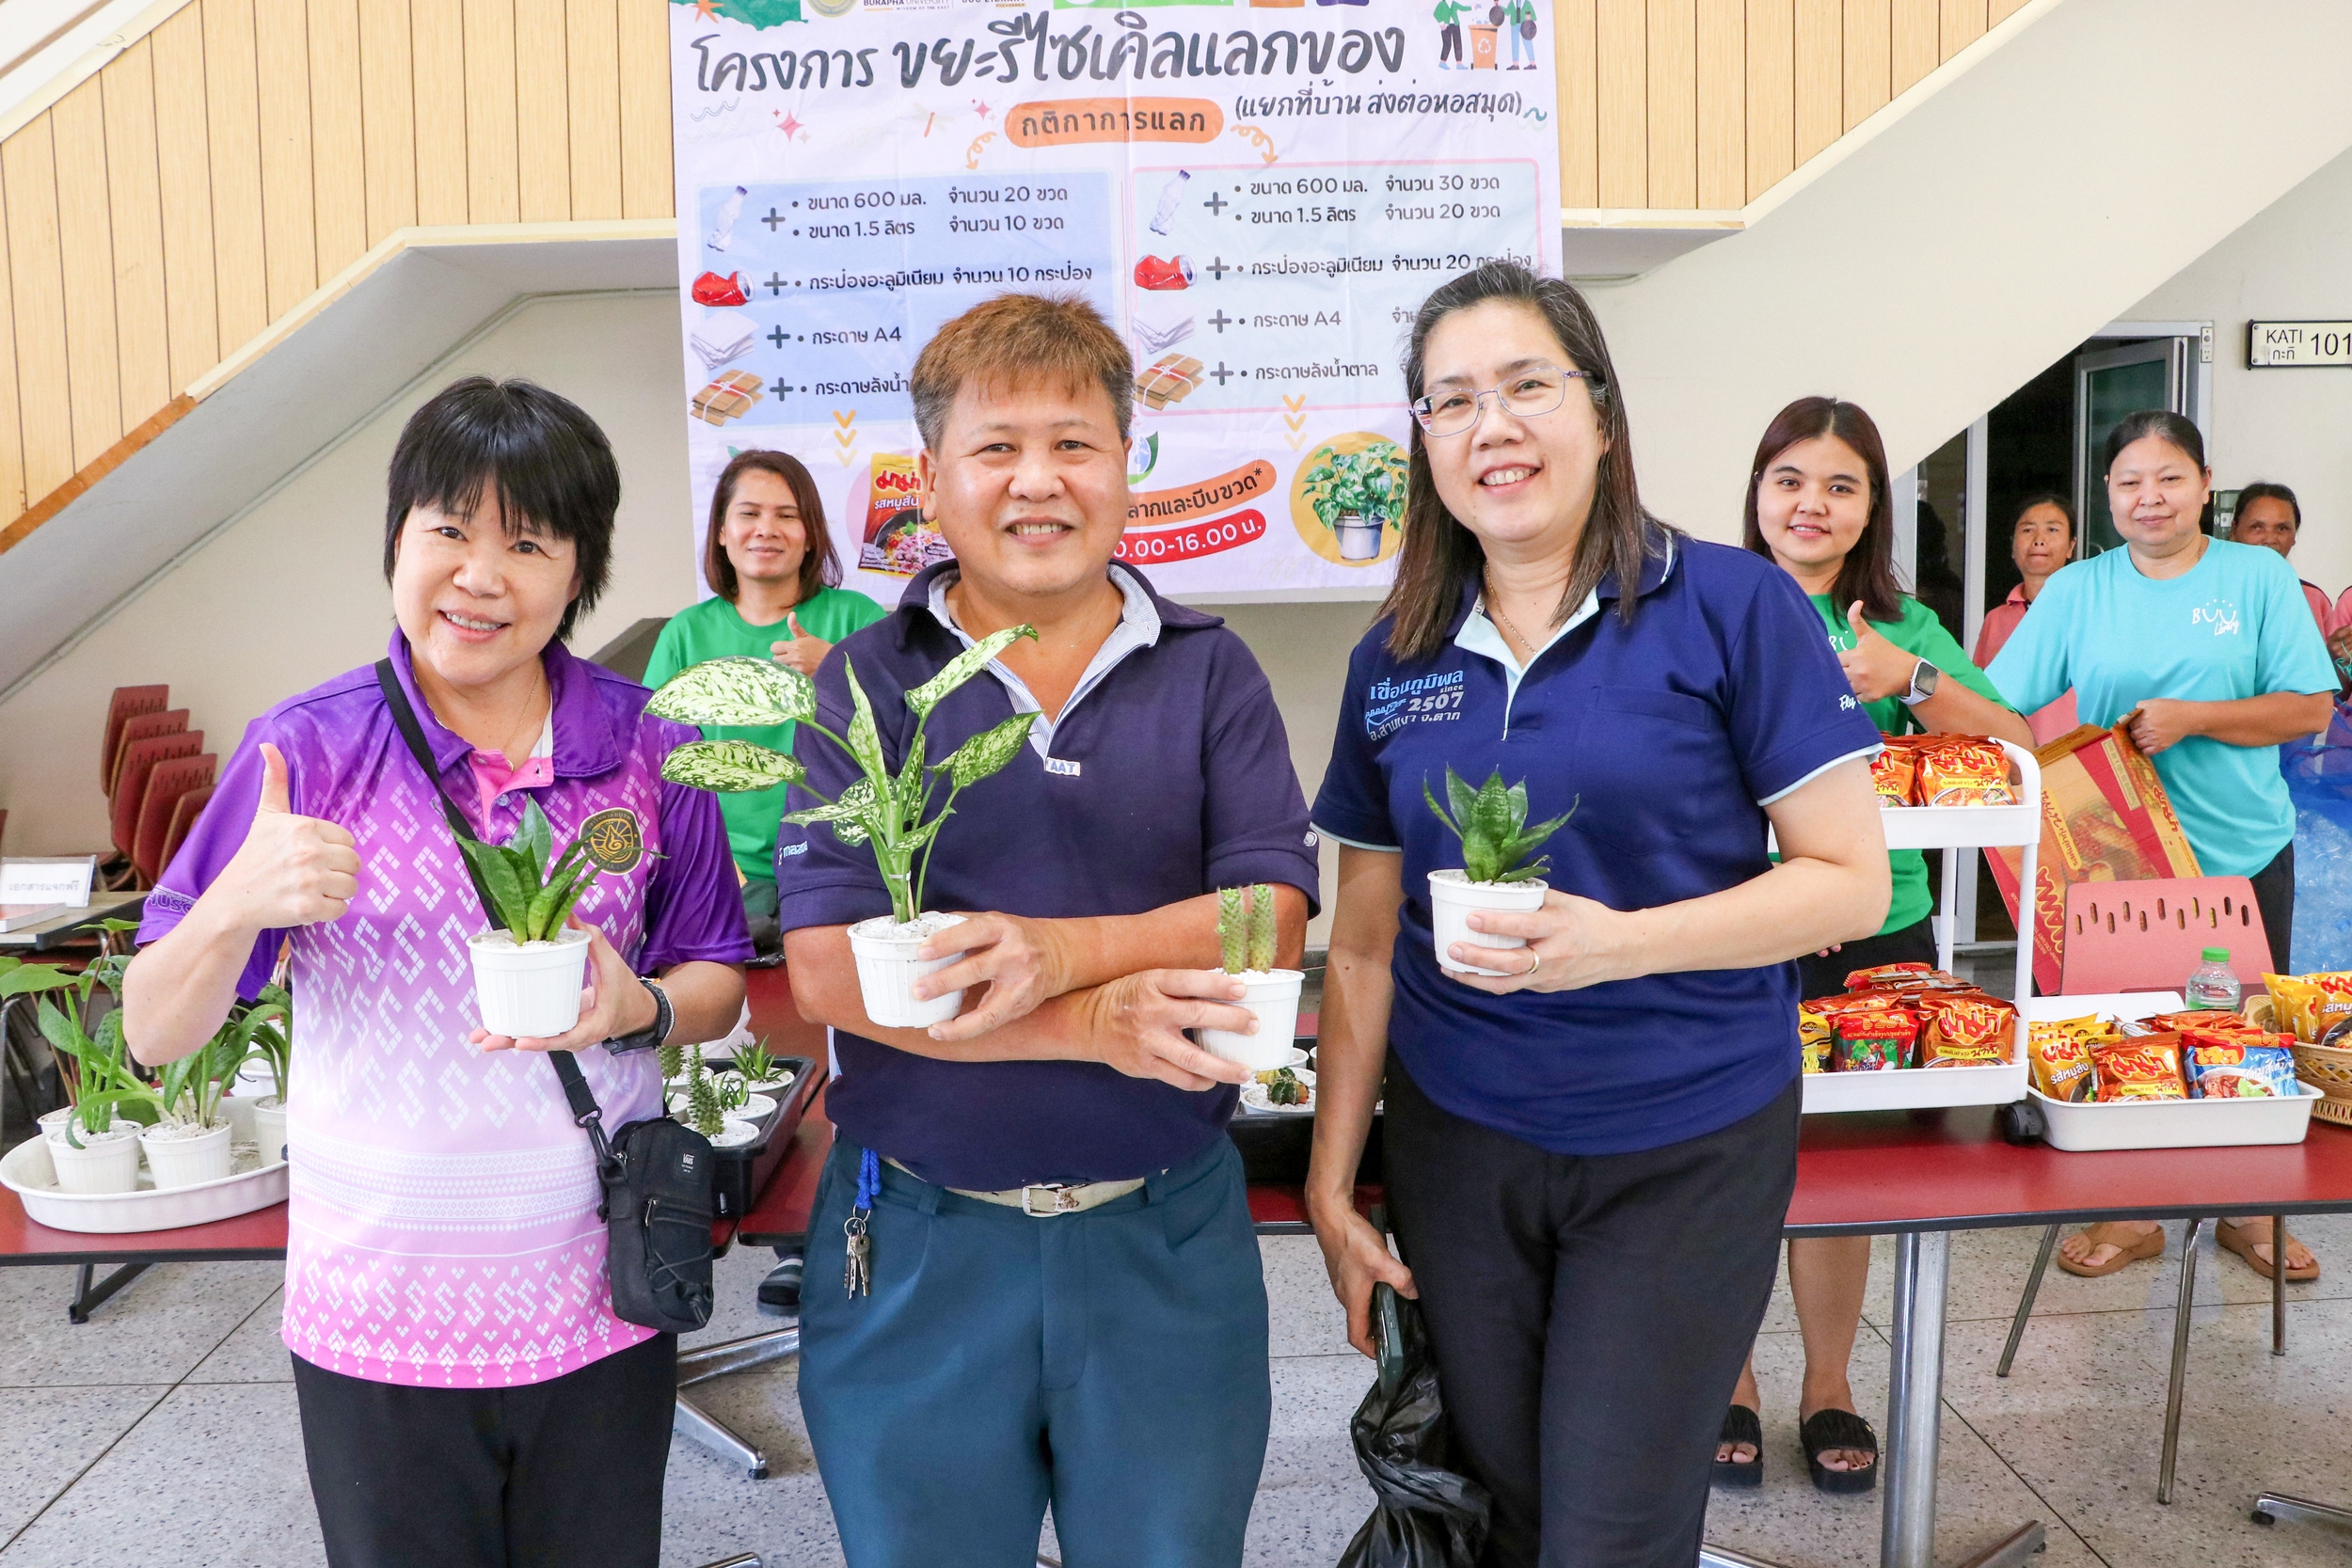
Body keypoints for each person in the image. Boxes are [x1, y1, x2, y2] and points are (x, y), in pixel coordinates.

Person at [1304, 264, 1893, 1567]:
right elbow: (1362, 942)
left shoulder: (1732, 605)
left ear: (1603, 414)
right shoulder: (1394, 655)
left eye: (1528, 385)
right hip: (1461, 1146)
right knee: (1505, 1512)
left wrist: (1618, 943)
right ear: (1425, 441)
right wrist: (1335, 1180)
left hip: (1682, 1137)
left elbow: (1850, 879)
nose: (1493, 425)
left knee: (1611, 1533)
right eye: (1453, 399)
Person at [119, 378, 753, 1566]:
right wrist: (235, 903)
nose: (478, 574)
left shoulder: (648, 742)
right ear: (398, 541)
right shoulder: (307, 747)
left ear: (580, 570)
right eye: (449, 529)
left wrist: (645, 1007)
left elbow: (716, 973)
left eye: (527, 542)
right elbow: (153, 1032)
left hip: (601, 1299)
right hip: (377, 1314)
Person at [778, 293, 1319, 1568]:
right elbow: (829, 970)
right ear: (931, 479)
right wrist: (1092, 1025)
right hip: (917, 1240)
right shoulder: (869, 679)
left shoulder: (1210, 670)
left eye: (1074, 443)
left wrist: (1065, 951)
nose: (1037, 479)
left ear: (1126, 463)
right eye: (997, 446)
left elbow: (1272, 917)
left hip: (1165, 1237)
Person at [1724, 397, 2032, 1492]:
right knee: (1722, 1162)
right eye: (1789, 479)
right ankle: (1728, 1379)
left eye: (1840, 485)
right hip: (1733, 922)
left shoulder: (1902, 625)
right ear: (1757, 493)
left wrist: (1906, 678)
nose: (1811, 503)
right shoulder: (1706, 605)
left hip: (1870, 925)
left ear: (1871, 509)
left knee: (1836, 1173)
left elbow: (2018, 743)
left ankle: (1826, 1381)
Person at [1989, 410, 2336, 1283]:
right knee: (2127, 1039)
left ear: (2205, 484)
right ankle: (2132, 1210)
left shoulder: (2257, 577)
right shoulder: (2079, 589)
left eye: (2170, 477)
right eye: (2130, 482)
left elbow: (2307, 708)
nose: (2151, 497)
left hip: (2240, 852)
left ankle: (2250, 1211)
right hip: (2119, 864)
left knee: (2245, 1037)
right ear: (2107, 493)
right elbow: (1997, 705)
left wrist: (2196, 720)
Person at [643, 451, 885, 958]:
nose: (766, 530)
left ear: (811, 535)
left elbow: (903, 745)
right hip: (718, 877)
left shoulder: (857, 619)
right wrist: (717, 869)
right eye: (749, 514)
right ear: (721, 532)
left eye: (787, 515)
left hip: (841, 870)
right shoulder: (685, 634)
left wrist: (836, 672)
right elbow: (653, 768)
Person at [1973, 493, 2082, 742]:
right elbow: (1980, 695)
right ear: (2013, 546)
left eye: (2052, 529)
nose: (2039, 540)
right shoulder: (1996, 619)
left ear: (2071, 546)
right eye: (2028, 530)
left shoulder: (2087, 611)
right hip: (2015, 754)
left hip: (2077, 751)